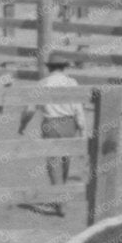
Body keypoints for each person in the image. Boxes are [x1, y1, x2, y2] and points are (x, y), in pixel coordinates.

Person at [19, 49, 83, 211]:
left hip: (51, 124)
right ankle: (61, 194)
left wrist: (23, 125)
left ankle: (59, 197)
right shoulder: (72, 83)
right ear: (64, 67)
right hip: (70, 124)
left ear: (49, 67)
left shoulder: (43, 84)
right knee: (65, 159)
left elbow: (30, 109)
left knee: (53, 162)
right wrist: (82, 127)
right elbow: (78, 109)